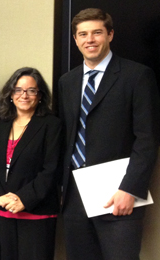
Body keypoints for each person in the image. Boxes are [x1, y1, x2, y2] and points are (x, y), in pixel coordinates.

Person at [57, 8, 160, 259]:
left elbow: (147, 139)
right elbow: (68, 136)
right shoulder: (67, 82)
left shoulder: (137, 76)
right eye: (83, 34)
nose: (89, 39)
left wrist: (130, 189)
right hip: (74, 197)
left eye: (97, 33)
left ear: (110, 35)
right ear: (76, 39)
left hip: (118, 194)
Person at [0, 67, 61, 260]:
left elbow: (51, 169)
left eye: (31, 90)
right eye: (18, 90)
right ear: (11, 93)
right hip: (3, 209)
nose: (24, 95)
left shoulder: (52, 124)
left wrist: (24, 199)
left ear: (40, 95)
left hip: (36, 211)